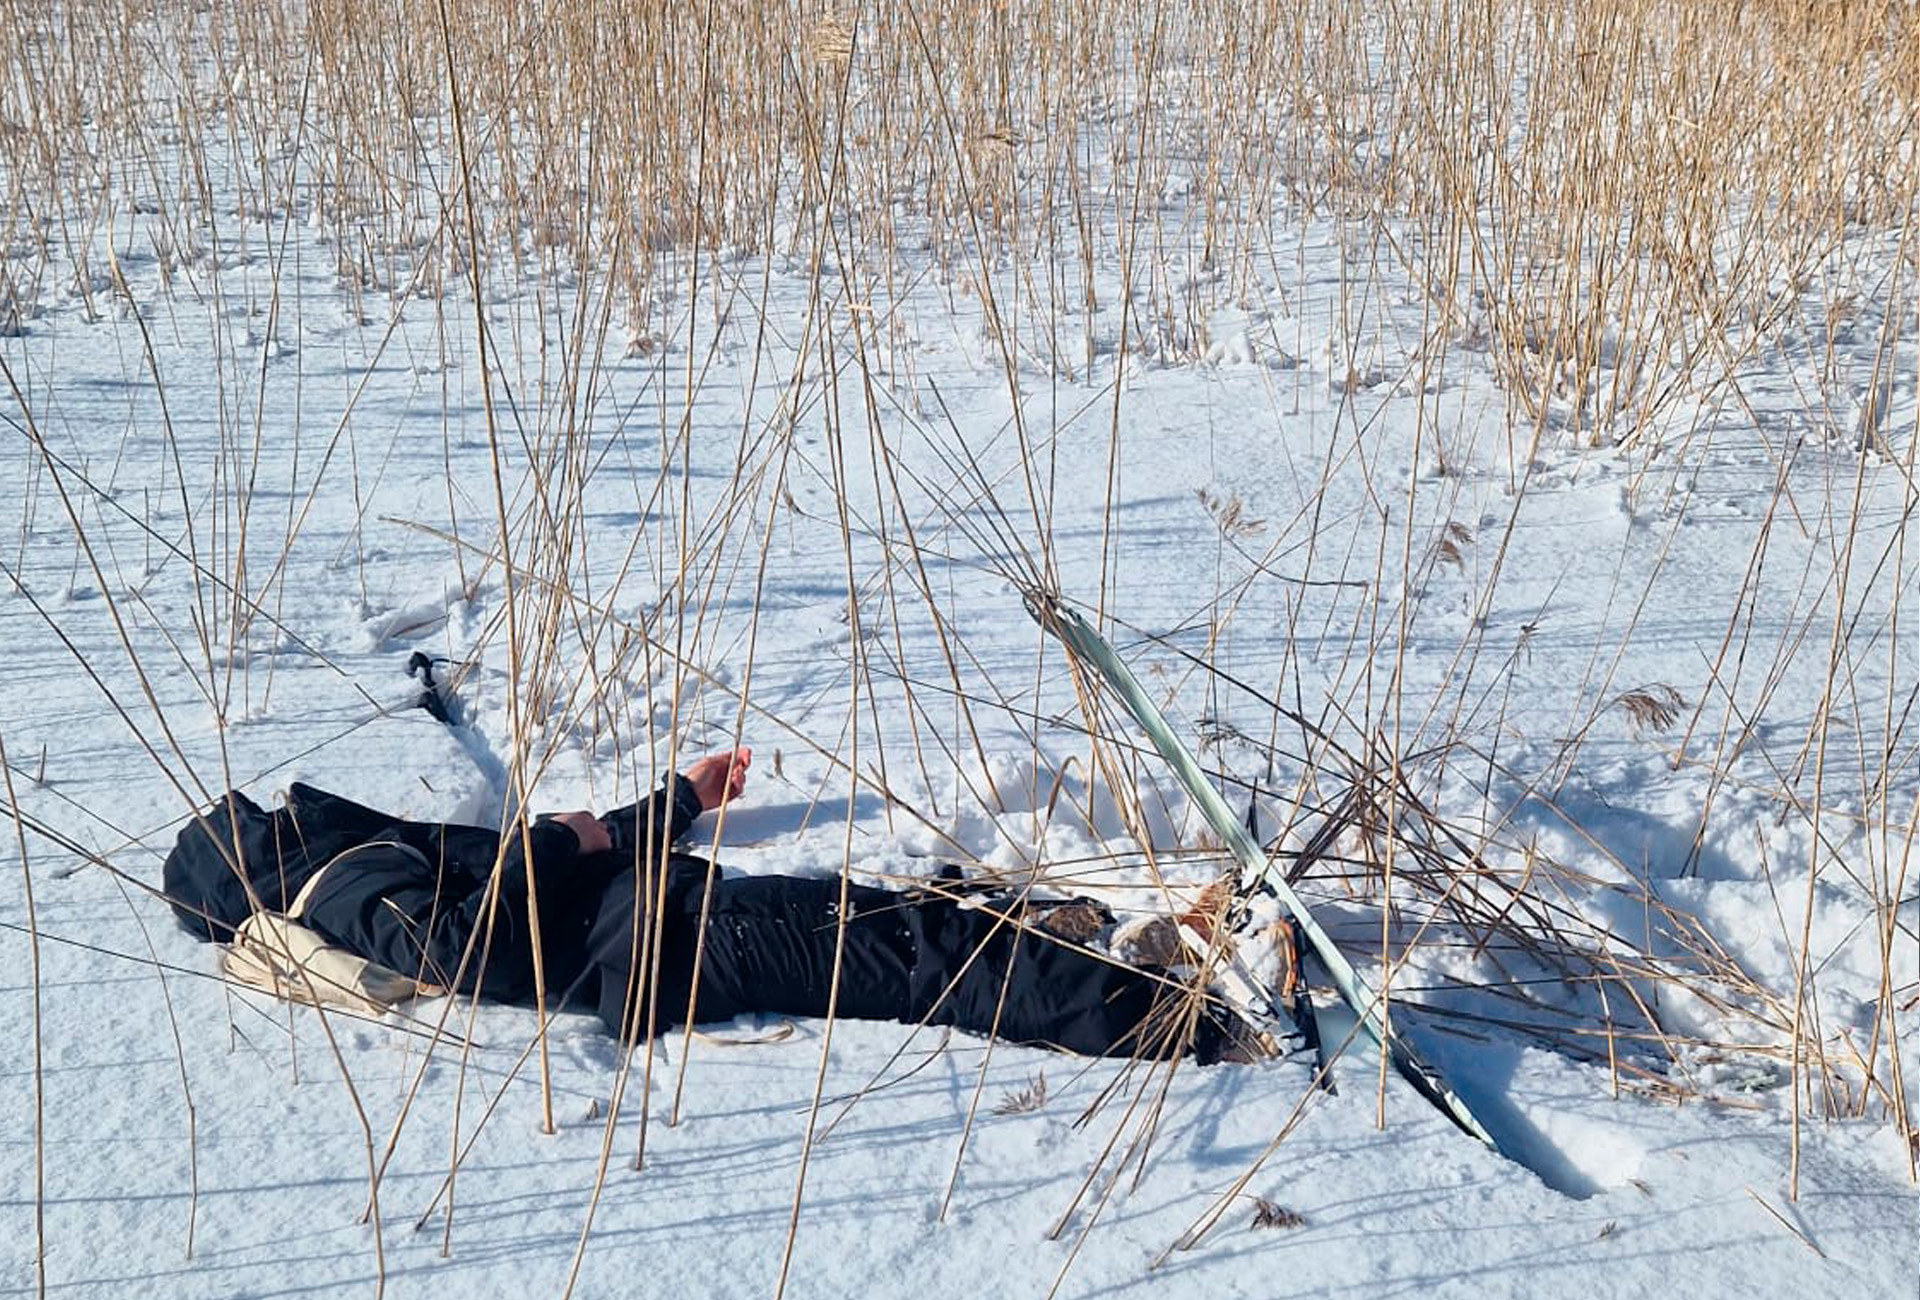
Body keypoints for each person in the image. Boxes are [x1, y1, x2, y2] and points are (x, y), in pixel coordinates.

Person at [166, 749, 1249, 1062]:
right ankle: (1186, 1023)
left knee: (900, 918)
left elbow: (554, 867)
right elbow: (466, 944)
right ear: (257, 857)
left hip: (669, 911)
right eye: (261, 820)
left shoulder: (346, 866)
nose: (282, 809)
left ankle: (1118, 945)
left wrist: (679, 801)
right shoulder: (345, 884)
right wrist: (560, 840)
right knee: (921, 960)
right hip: (674, 945)